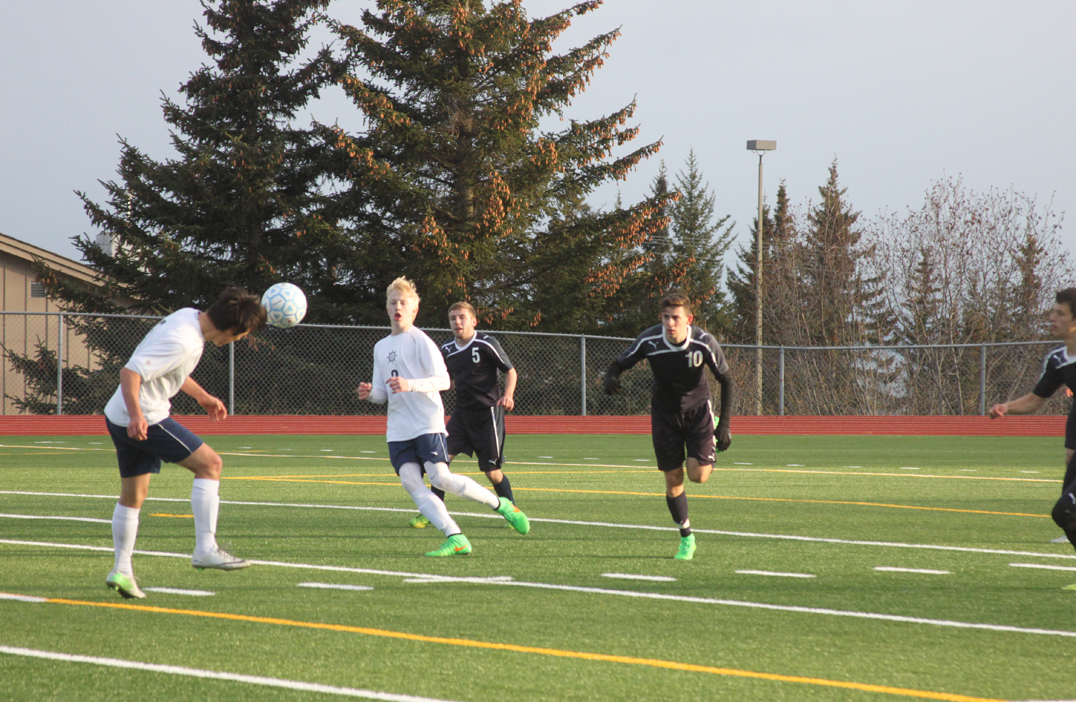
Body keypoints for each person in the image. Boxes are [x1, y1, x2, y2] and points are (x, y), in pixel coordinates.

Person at [103, 287, 267, 599]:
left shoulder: (188, 318)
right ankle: (205, 548)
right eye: (242, 335)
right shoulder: (183, 340)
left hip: (119, 415)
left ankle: (121, 570)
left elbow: (169, 368)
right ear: (232, 328)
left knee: (133, 496)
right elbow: (130, 373)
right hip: (144, 417)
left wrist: (202, 396)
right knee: (210, 464)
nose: (239, 340)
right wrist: (137, 415)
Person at [358, 277, 530, 556]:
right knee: (410, 482)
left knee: (441, 479)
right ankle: (455, 536)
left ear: (414, 310)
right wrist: (370, 393)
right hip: (398, 428)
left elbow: (443, 381)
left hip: (427, 422)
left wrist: (410, 384)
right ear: (387, 308)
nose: (398, 307)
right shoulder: (381, 347)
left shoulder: (421, 341)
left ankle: (502, 505)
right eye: (393, 302)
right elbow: (382, 393)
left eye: (404, 303)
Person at [603, 292, 733, 560]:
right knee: (673, 479)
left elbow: (726, 380)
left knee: (698, 476)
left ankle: (712, 430)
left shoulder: (703, 341)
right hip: (664, 415)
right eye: (666, 317)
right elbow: (618, 363)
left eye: (675, 318)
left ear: (689, 319)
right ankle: (686, 537)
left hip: (698, 413)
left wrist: (725, 425)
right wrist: (611, 377)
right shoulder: (650, 340)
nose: (670, 323)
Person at [407, 301, 518, 529]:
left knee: (492, 472)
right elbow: (441, 378)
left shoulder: (486, 343)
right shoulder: (447, 349)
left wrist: (508, 395)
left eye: (462, 317)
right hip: (461, 415)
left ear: (473, 321)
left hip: (487, 414)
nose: (457, 322)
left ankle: (511, 510)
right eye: (453, 318)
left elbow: (510, 371)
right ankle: (432, 513)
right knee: (439, 463)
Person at [990, 287, 1076, 553]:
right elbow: (1036, 399)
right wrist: (1006, 407)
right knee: (1066, 513)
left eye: (1060, 313)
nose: (1052, 318)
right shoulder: (1058, 360)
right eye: (1053, 312)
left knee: (1065, 510)